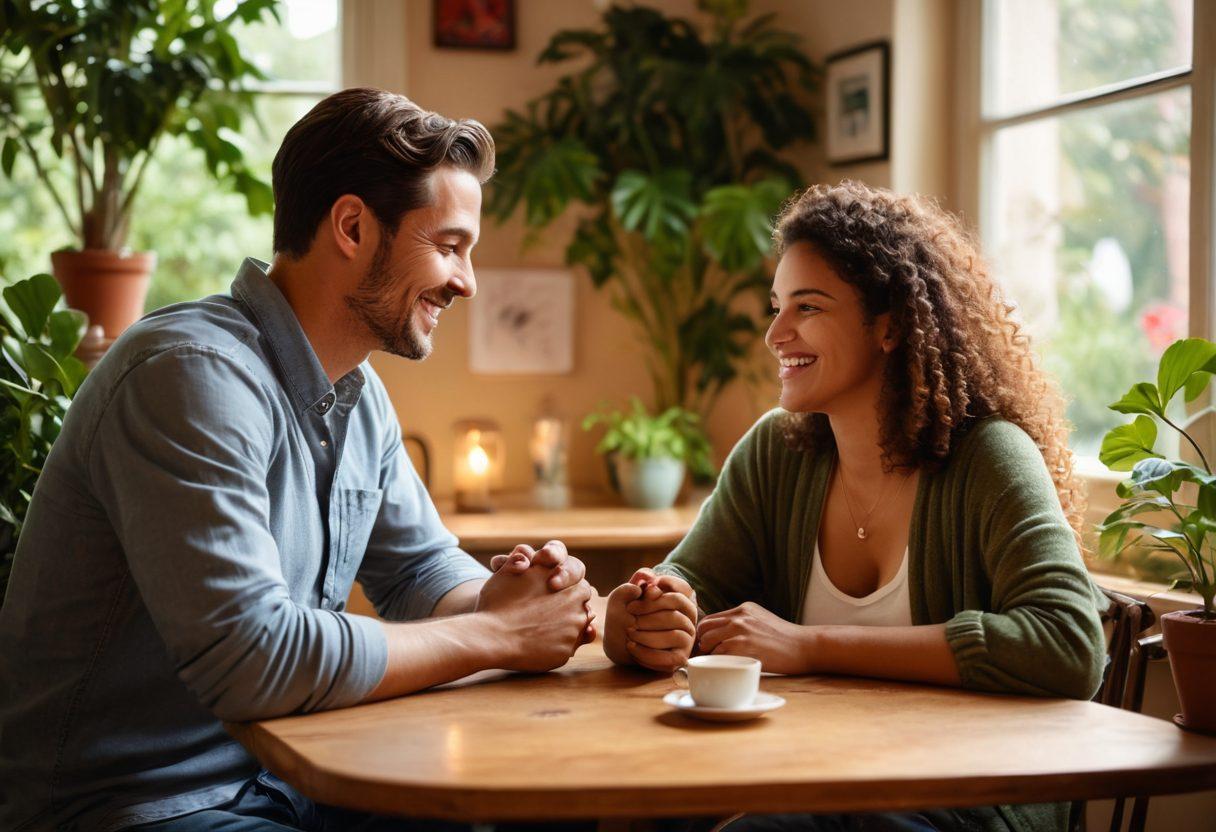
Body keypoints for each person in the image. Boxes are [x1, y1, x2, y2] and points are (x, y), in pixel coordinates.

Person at [0, 88, 595, 832]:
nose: (466, 281)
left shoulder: (359, 393)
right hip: (134, 805)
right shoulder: (187, 375)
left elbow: (417, 572)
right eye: (448, 246)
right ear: (351, 227)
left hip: (287, 779)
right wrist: (497, 636)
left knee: (535, 812)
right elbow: (251, 656)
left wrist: (535, 603)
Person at [599, 181, 1108, 832]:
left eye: (806, 308)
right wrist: (637, 617)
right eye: (776, 306)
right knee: (638, 813)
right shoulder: (776, 453)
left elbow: (1067, 643)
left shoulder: (988, 459)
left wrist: (811, 646)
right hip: (805, 774)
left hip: (965, 796)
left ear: (890, 324)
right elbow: (691, 584)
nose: (776, 333)